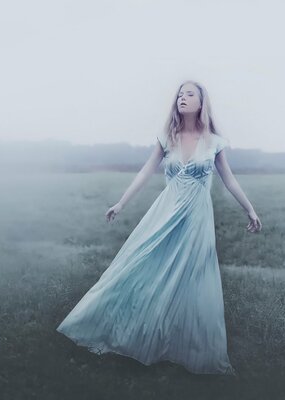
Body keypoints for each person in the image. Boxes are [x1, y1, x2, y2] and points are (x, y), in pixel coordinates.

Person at [56, 80, 262, 375]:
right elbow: (145, 171)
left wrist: (250, 210)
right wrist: (121, 203)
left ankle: (187, 346)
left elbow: (229, 180)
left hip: (196, 219)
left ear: (202, 102)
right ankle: (112, 326)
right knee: (141, 267)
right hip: (165, 215)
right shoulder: (168, 137)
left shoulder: (215, 141)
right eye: (180, 94)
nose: (182, 98)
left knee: (193, 280)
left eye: (189, 94)